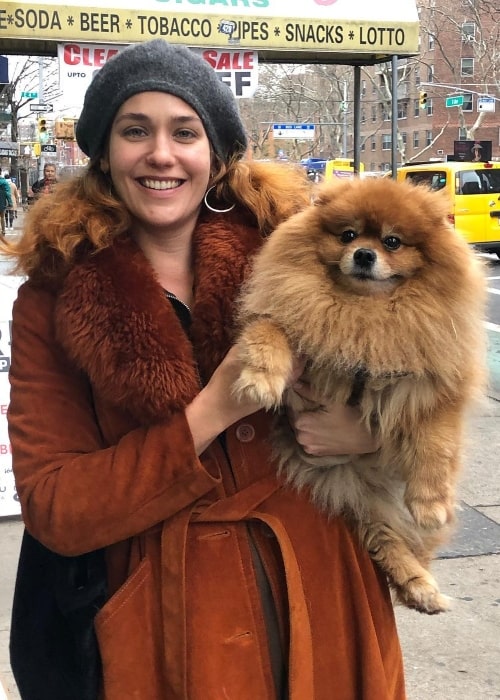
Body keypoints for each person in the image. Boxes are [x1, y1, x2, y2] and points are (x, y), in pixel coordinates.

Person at [3, 40, 406, 700]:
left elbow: (422, 379)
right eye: (136, 131)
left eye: (184, 132)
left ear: (215, 155)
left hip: (323, 593)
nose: (161, 154)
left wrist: (375, 432)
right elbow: (56, 505)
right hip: (165, 623)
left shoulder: (304, 256)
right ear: (104, 153)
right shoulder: (53, 297)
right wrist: (212, 409)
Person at [0, 171, 13, 236]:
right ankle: (3, 231)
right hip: (1, 202)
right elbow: (8, 193)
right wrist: (10, 203)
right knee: (2, 217)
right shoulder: (4, 182)